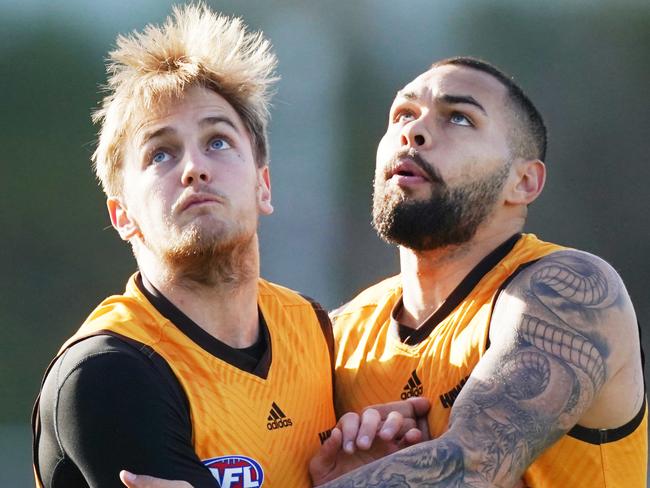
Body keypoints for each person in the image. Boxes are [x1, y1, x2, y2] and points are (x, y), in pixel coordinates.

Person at [31, 5, 427, 487]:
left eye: (218, 141)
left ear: (264, 186)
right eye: (161, 153)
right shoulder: (109, 374)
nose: (194, 168)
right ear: (122, 216)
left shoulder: (310, 328)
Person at [312, 57, 646, 487]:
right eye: (403, 114)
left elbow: (473, 466)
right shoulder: (338, 335)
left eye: (460, 118)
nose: (413, 131)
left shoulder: (569, 290)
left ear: (523, 182)